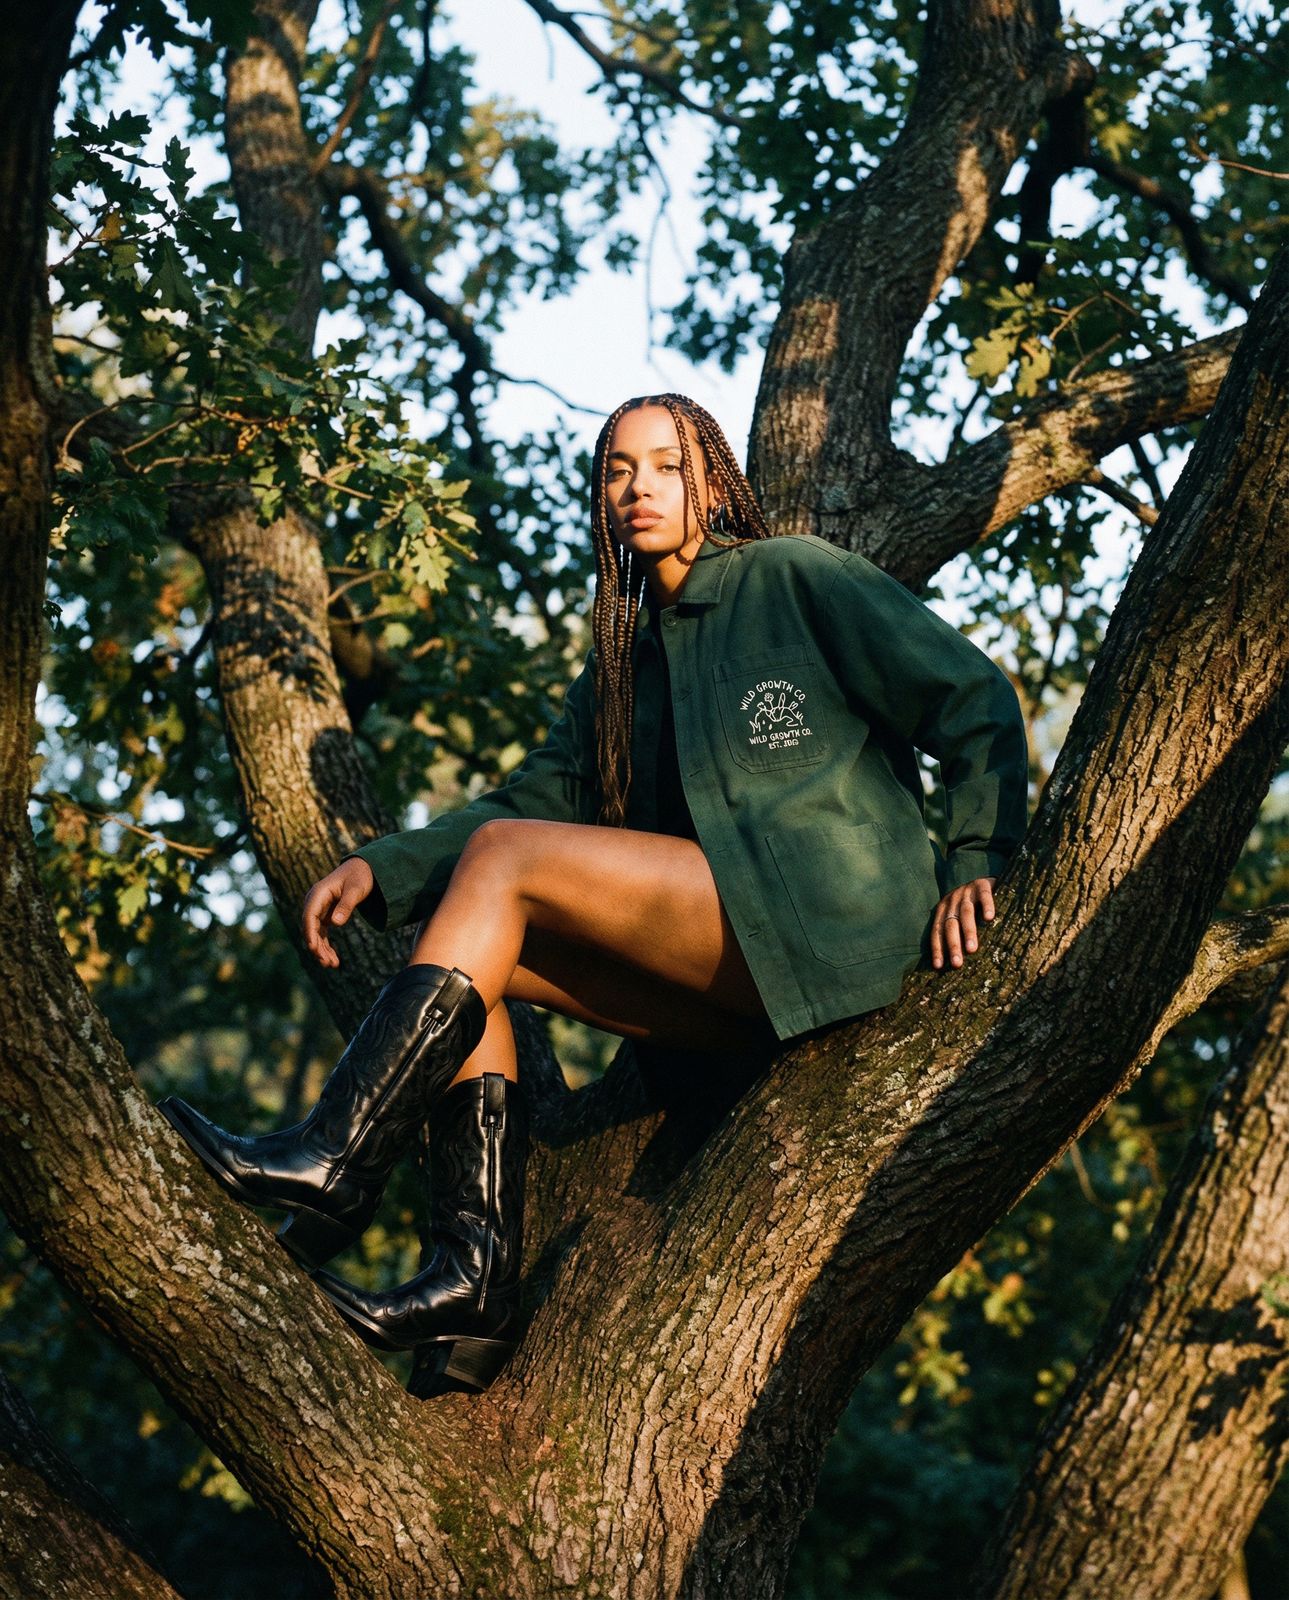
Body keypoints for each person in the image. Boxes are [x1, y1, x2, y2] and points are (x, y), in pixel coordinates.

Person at [159, 394, 1028, 1395]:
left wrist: (975, 859)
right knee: (479, 943)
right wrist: (383, 866)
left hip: (838, 931)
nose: (637, 488)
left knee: (503, 860)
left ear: (711, 484)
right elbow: (533, 800)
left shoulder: (792, 575)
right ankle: (473, 1279)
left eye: (665, 466)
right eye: (617, 470)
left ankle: (334, 1156)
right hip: (735, 997)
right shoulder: (622, 663)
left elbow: (971, 698)